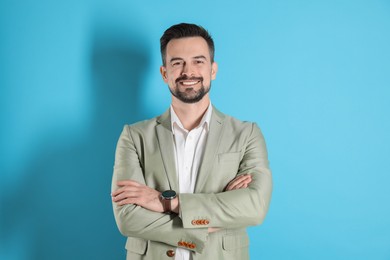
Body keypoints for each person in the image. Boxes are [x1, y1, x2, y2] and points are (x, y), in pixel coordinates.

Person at [111, 23, 272, 260]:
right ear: (165, 73)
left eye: (198, 61)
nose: (189, 72)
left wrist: (169, 203)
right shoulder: (134, 136)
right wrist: (218, 217)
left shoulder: (247, 134)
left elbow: (254, 207)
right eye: (177, 63)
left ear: (213, 70)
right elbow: (127, 218)